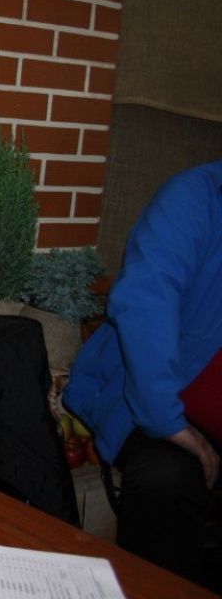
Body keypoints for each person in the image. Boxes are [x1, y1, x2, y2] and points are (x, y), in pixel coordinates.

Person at [64, 160, 222, 590]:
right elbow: (145, 299)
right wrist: (166, 421)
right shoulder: (198, 196)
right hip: (156, 405)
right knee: (164, 479)